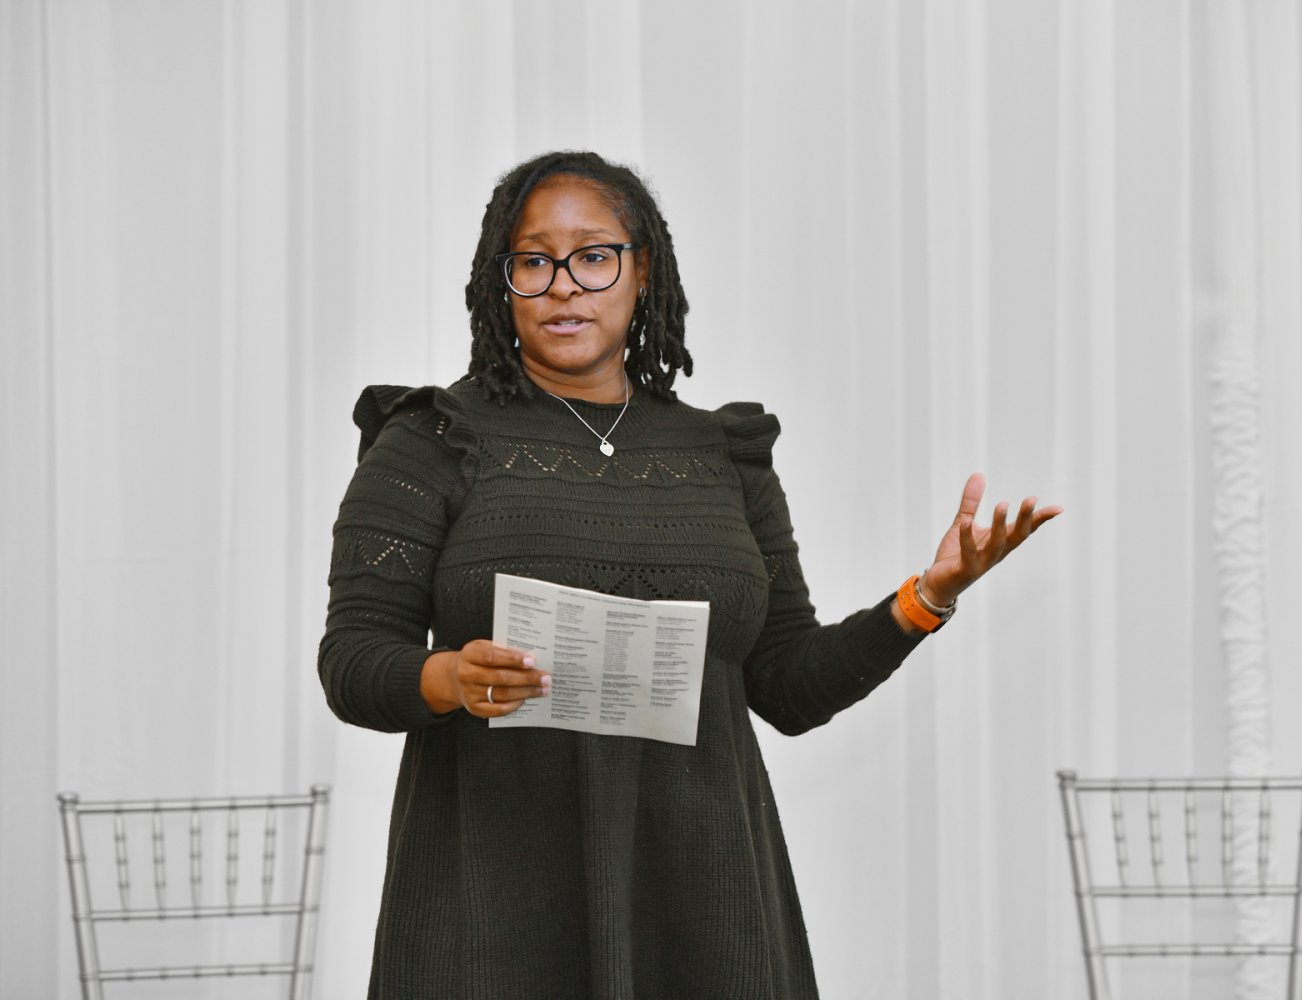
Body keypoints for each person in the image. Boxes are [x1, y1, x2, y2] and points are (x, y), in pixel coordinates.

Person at [319, 149, 1061, 999]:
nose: (564, 284)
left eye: (594, 256)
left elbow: (786, 685)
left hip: (706, 902)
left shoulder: (724, 455)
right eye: (534, 261)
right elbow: (353, 664)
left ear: (644, 275)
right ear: (503, 282)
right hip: (493, 902)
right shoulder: (430, 440)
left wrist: (926, 598)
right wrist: (446, 676)